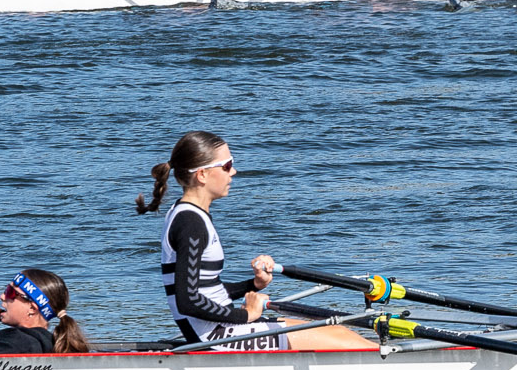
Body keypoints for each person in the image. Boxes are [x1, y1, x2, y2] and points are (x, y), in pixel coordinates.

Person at [136, 131, 376, 353]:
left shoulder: (185, 213)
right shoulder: (191, 223)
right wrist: (247, 314)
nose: (234, 172)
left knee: (336, 332)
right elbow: (187, 300)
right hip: (218, 336)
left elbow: (207, 290)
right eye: (227, 165)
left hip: (220, 328)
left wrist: (253, 285)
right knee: (345, 341)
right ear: (202, 175)